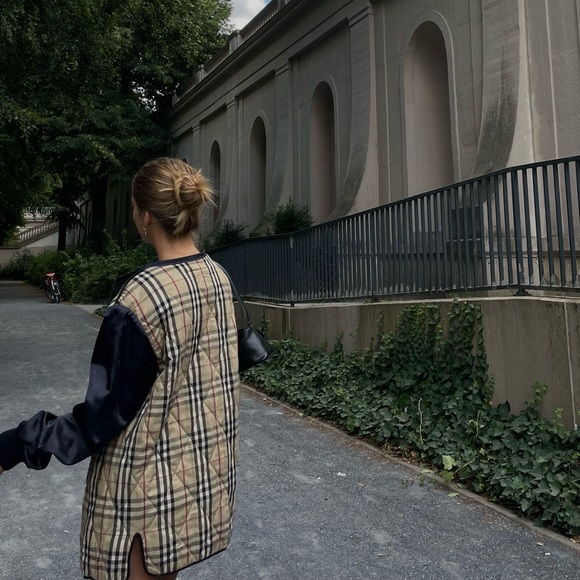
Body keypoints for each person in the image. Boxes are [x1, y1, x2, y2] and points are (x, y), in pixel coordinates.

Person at [0, 157, 240, 580]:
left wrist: (18, 443)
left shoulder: (142, 296)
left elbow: (102, 415)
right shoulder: (217, 276)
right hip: (196, 476)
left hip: (141, 490)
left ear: (145, 216)